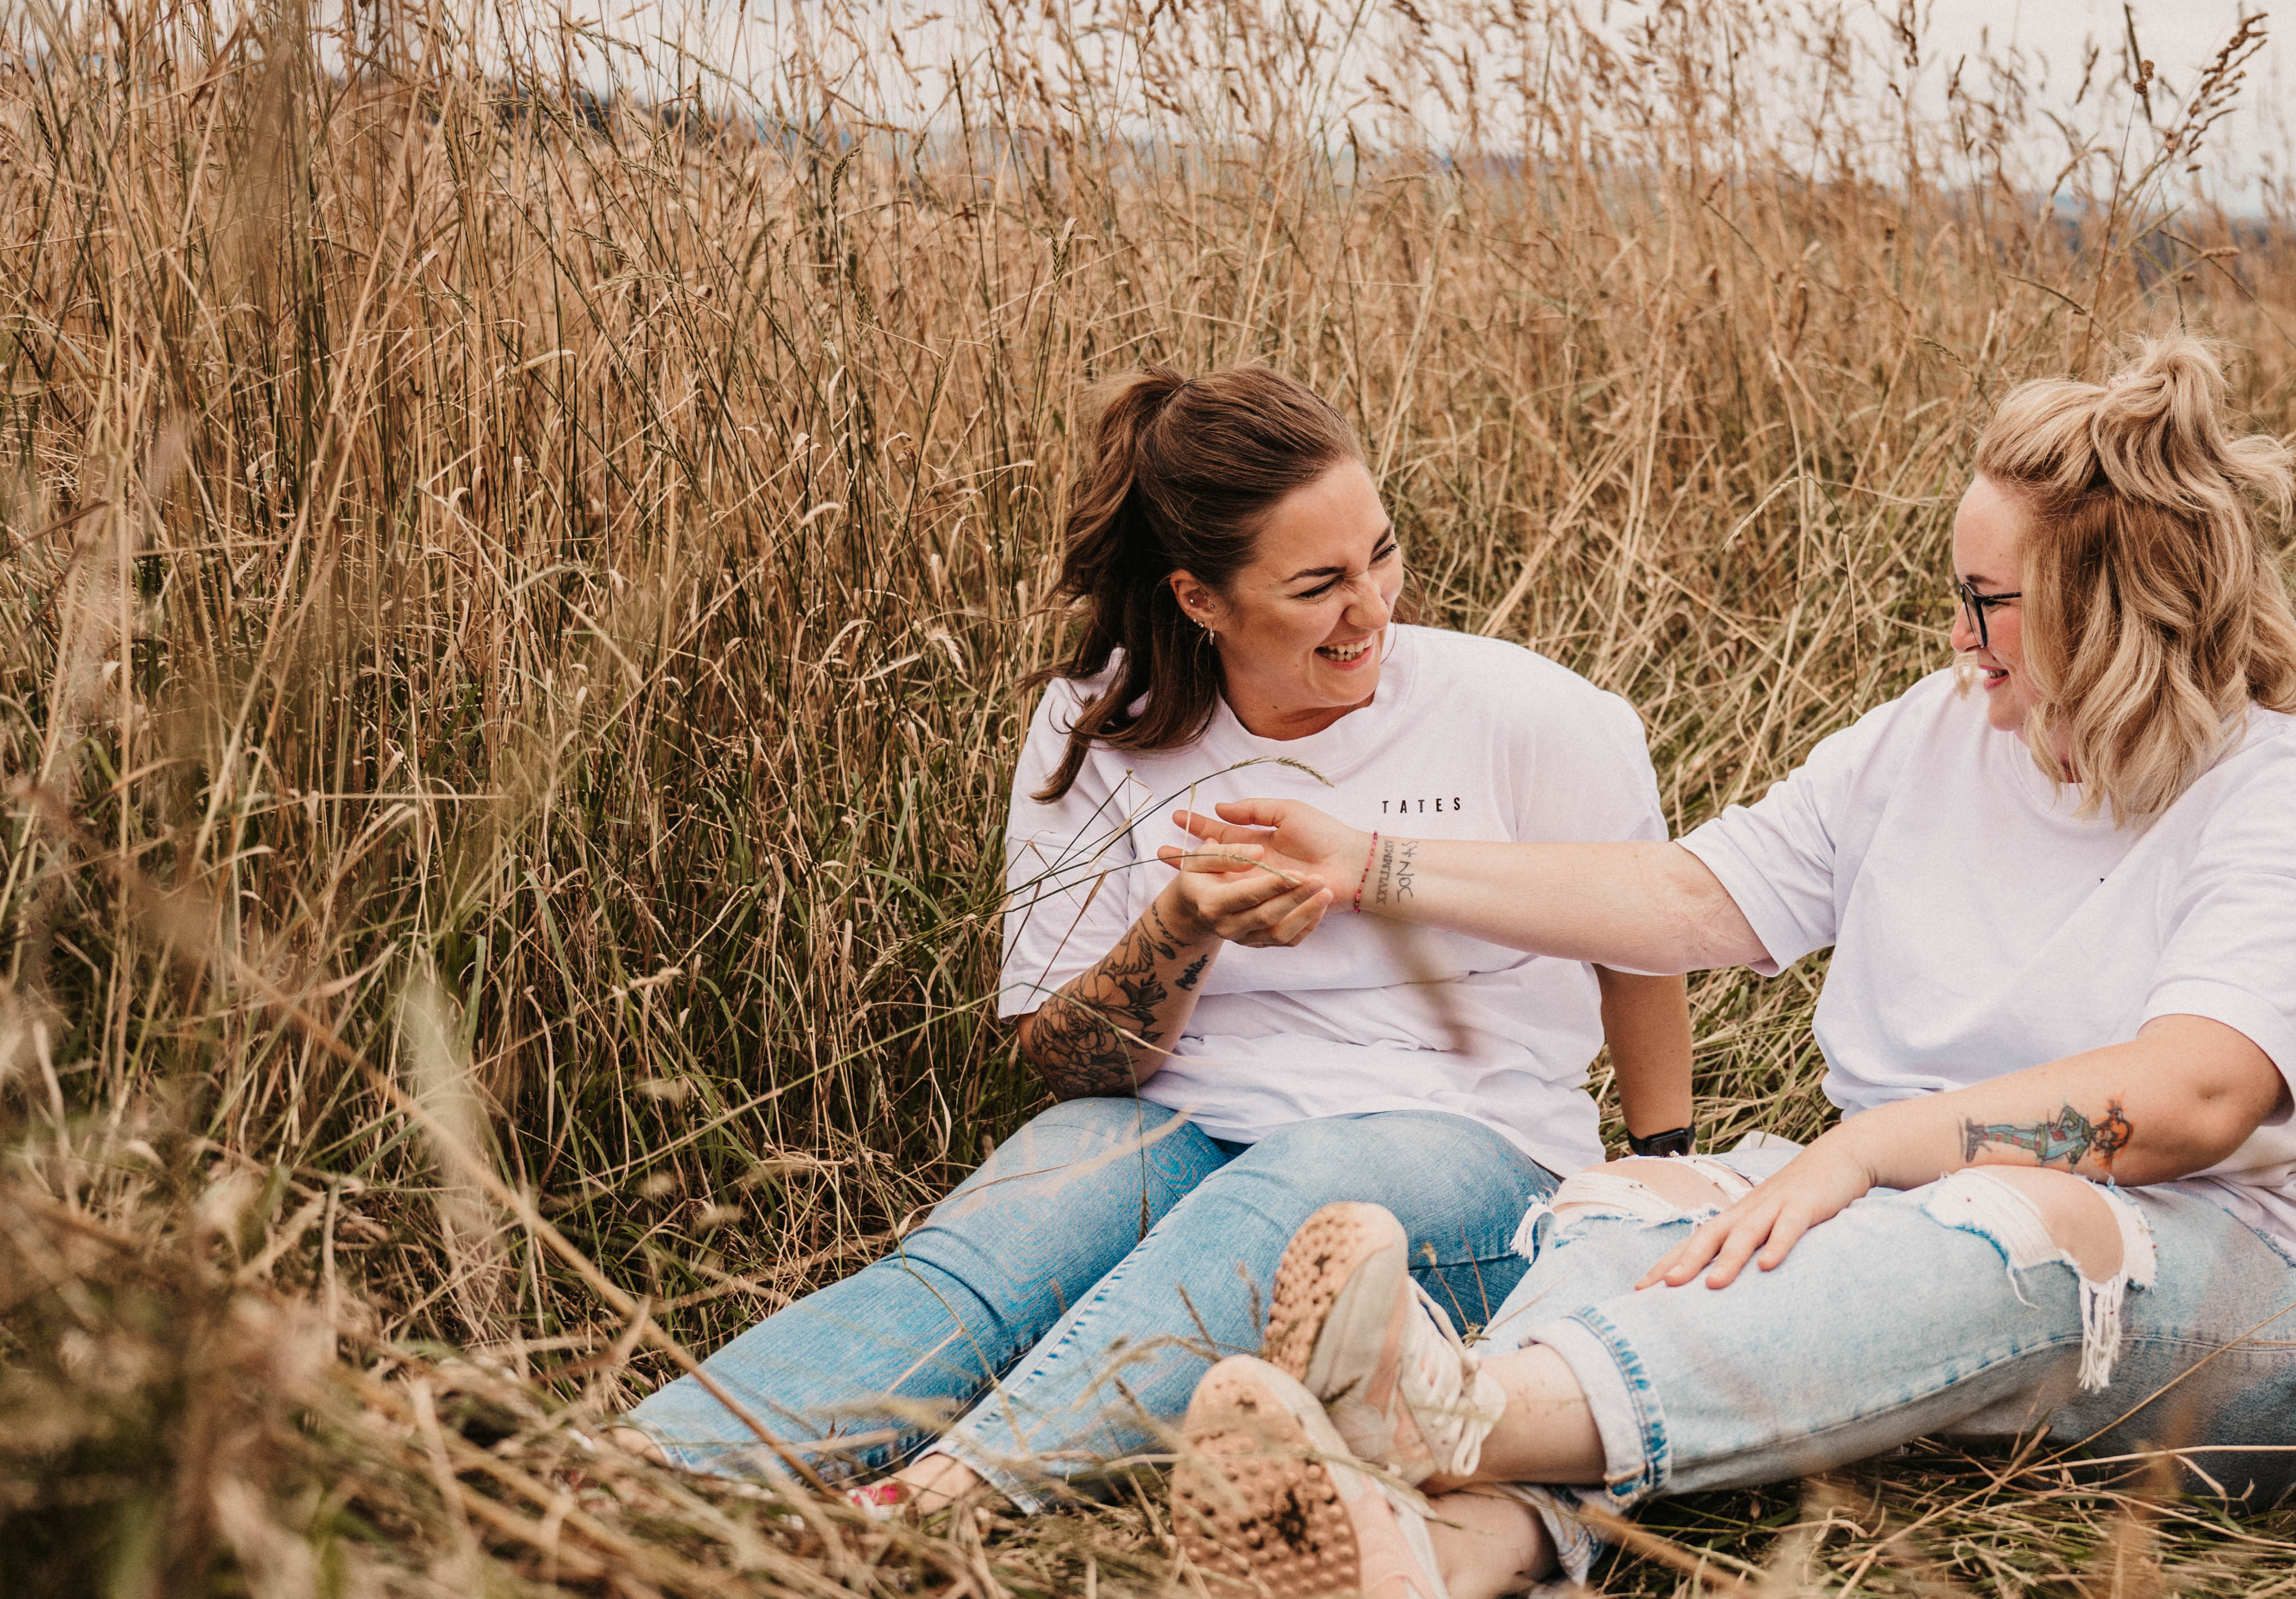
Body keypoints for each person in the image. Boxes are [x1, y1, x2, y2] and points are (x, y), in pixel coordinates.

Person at [1159, 336, 2296, 1599]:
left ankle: (1459, 1405)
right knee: (1626, 1204)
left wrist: (1869, 1148)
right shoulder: (1930, 737)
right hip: (1916, 1220)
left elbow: (2195, 1095)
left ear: (2111, 606)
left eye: (1989, 602)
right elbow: (1687, 894)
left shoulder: (2284, 795)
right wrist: (1370, 863)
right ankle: (1437, 1565)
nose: (1958, 639)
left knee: (2002, 1218)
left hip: (2239, 1316)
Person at [617, 363, 1691, 1515]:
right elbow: (1068, 1062)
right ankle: (623, 1477)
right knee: (992, 1253)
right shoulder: (1101, 726)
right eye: (1319, 583)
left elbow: (1642, 936)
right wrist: (1182, 926)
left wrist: (1662, 1169)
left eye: (1381, 552)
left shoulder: (1532, 715)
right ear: (1201, 599)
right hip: (1171, 1117)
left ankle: (949, 1501)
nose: (1374, 608)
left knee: (1289, 1197)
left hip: (1464, 1142)